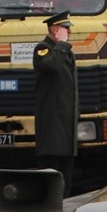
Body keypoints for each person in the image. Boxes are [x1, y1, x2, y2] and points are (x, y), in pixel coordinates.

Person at [33, 10, 78, 196]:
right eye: (65, 29)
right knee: (51, 173)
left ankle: (64, 205)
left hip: (66, 121)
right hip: (52, 122)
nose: (69, 32)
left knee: (66, 174)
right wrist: (61, 45)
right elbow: (49, 65)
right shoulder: (43, 48)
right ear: (54, 29)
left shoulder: (64, 50)